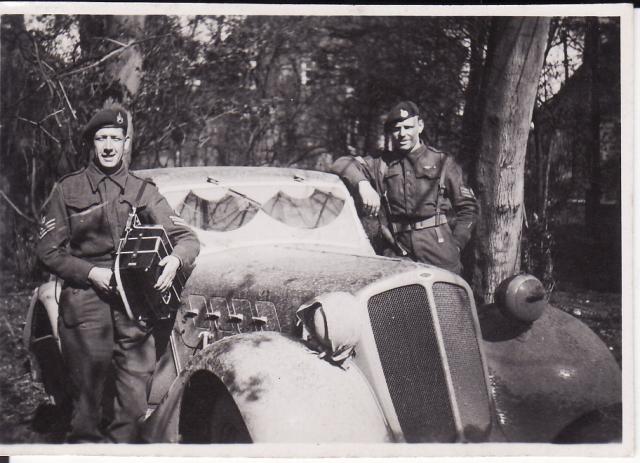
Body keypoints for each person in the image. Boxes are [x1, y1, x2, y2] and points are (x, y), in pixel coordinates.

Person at [36, 106, 200, 443]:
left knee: (132, 407)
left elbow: (186, 238)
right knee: (87, 409)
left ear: (126, 143)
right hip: (85, 307)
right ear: (91, 144)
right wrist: (91, 272)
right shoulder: (68, 190)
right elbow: (48, 250)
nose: (109, 146)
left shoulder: (143, 190)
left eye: (115, 138)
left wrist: (174, 261)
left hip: (134, 310)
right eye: (101, 138)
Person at [331, 101, 477, 274]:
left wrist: (456, 244)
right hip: (396, 249)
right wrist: (363, 184)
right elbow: (340, 163)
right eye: (397, 129)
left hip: (438, 249)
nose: (402, 134)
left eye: (408, 127)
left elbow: (468, 209)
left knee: (444, 298)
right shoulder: (381, 163)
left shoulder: (442, 162)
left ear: (420, 126)